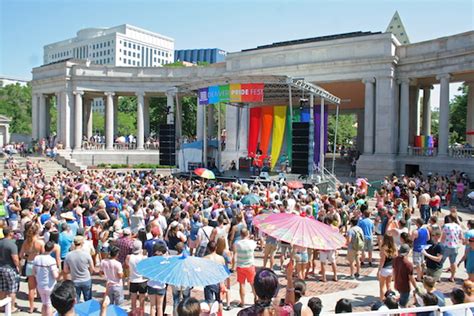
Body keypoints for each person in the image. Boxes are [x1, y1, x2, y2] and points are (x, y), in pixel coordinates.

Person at [20, 222, 44, 313]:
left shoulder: (26, 242)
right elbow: (43, 255)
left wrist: (28, 257)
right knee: (42, 285)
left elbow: (21, 255)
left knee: (31, 288)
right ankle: (43, 306)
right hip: (38, 264)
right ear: (36, 232)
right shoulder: (40, 242)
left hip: (30, 264)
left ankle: (31, 307)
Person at [64, 236, 95, 302]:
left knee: (76, 301)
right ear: (82, 243)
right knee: (88, 300)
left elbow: (65, 270)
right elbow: (92, 268)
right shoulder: (87, 254)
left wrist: (72, 270)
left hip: (75, 280)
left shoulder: (68, 255)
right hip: (86, 279)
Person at [33, 241, 59, 316]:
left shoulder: (37, 258)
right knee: (49, 304)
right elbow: (55, 275)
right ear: (52, 249)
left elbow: (34, 272)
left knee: (44, 303)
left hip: (40, 284)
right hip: (49, 285)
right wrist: (58, 273)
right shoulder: (51, 260)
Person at [232, 228, 257, 307]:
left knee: (242, 285)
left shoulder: (237, 243)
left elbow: (234, 254)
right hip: (250, 266)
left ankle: (242, 302)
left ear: (240, 234)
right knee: (253, 284)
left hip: (240, 266)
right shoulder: (252, 243)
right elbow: (255, 246)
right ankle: (256, 299)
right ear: (248, 234)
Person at [0, 227, 20, 313]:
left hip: (1, 267)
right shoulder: (12, 245)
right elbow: (15, 259)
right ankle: (11, 307)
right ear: (10, 233)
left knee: (2, 288)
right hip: (9, 268)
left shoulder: (0, 242)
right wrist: (19, 267)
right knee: (12, 289)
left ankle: (2, 306)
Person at [392, 244, 417, 308]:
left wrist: (395, 283)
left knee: (401, 299)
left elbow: (394, 272)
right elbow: (411, 278)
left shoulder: (395, 259)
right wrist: (416, 288)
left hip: (398, 284)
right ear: (408, 252)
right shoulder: (408, 264)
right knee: (403, 305)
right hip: (405, 287)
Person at [126, 240, 147, 313]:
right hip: (142, 281)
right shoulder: (144, 258)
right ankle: (141, 314)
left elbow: (127, 265)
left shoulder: (129, 257)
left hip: (133, 280)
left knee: (133, 301)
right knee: (142, 301)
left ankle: (134, 313)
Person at [204, 241, 225, 312]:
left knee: (209, 301)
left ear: (208, 248)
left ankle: (211, 313)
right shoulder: (221, 258)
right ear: (216, 248)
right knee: (219, 301)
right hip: (218, 281)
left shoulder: (205, 258)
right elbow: (223, 271)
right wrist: (223, 283)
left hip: (209, 281)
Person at [147, 242, 167, 316]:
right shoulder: (165, 261)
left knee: (152, 306)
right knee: (160, 307)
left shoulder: (150, 260)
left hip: (151, 284)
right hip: (161, 285)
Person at [442, 215, 463, 282]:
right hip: (455, 246)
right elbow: (461, 237)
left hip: (446, 245)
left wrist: (440, 243)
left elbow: (443, 236)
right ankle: (452, 277)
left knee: (441, 261)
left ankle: (438, 276)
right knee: (453, 262)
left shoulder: (446, 226)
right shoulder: (458, 226)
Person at [377, 234, 397, 300]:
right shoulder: (394, 247)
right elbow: (395, 257)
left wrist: (379, 270)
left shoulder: (384, 248)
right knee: (388, 285)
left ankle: (381, 299)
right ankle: (390, 299)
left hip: (384, 268)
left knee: (382, 286)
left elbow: (382, 260)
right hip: (391, 268)